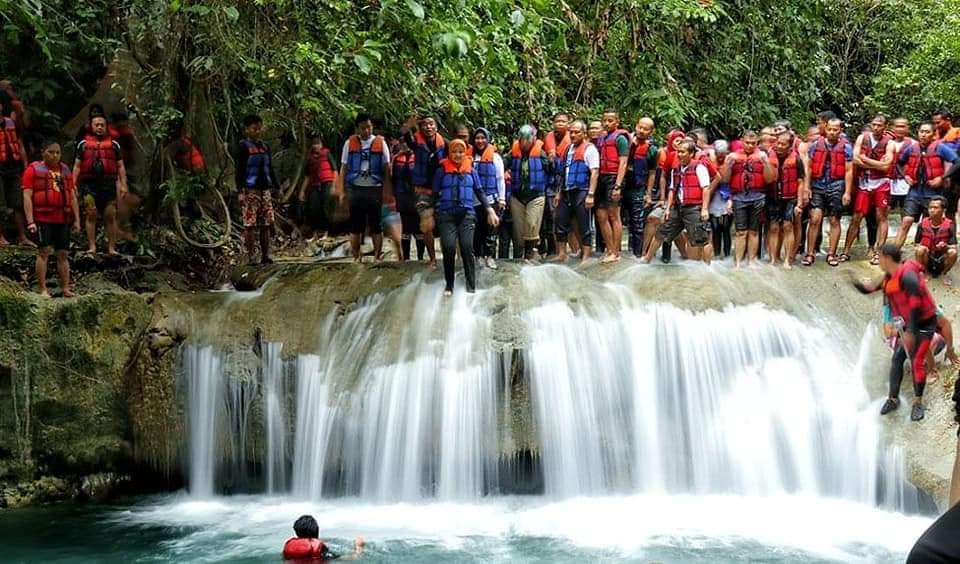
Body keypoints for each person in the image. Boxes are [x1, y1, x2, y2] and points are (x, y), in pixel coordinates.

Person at [853, 243, 938, 421]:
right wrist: (854, 281)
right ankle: (893, 398)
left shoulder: (907, 276)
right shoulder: (889, 277)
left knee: (916, 361)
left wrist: (910, 333)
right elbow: (870, 290)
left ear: (886, 258)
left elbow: (915, 305)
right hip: (909, 324)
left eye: (880, 257)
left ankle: (917, 402)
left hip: (923, 324)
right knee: (897, 358)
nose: (878, 261)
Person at [432, 138, 499, 295]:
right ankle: (449, 285)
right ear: (449, 153)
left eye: (461, 152)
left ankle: (471, 286)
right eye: (454, 152)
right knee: (448, 248)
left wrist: (490, 210)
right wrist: (428, 213)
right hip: (446, 215)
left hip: (467, 215)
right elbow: (434, 194)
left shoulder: (471, 170)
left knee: (467, 247)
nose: (457, 155)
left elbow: (480, 191)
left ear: (465, 153)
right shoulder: (441, 170)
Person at [22, 141, 81, 298]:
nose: (55, 155)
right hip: (43, 217)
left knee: (63, 253)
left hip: (63, 218)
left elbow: (73, 196)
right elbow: (27, 196)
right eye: (51, 152)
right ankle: (42, 289)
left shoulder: (65, 169)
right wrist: (30, 221)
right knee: (44, 252)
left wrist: (77, 220)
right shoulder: (33, 170)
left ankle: (66, 288)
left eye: (58, 153)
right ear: (43, 152)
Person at [641, 138, 713, 265]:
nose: (679, 155)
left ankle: (708, 266)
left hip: (694, 208)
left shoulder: (699, 167)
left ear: (691, 154)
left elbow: (706, 188)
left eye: (683, 152)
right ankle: (647, 259)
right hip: (678, 207)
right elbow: (672, 190)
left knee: (702, 239)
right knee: (660, 233)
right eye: (678, 152)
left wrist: (705, 209)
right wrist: (668, 208)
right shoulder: (676, 169)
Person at [337, 113, 392, 263]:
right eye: (363, 128)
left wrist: (388, 191)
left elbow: (387, 168)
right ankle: (356, 257)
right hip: (355, 188)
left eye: (369, 127)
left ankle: (377, 256)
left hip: (375, 188)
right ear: (357, 129)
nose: (366, 131)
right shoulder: (349, 143)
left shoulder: (381, 143)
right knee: (356, 225)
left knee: (376, 224)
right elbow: (344, 167)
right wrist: (341, 191)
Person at [841, 115, 895, 264]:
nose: (876, 128)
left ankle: (879, 252)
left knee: (881, 216)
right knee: (856, 216)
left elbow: (886, 165)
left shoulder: (889, 143)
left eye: (879, 125)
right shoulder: (862, 138)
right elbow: (856, 158)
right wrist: (876, 164)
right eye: (874, 124)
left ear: (885, 126)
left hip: (881, 182)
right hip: (864, 183)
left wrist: (866, 160)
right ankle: (846, 251)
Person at [896, 123, 959, 250]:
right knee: (906, 221)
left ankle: (925, 257)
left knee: (927, 226)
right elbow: (899, 163)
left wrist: (942, 177)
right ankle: (893, 254)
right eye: (921, 131)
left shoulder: (940, 148)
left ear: (933, 134)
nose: (923, 134)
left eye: (927, 132)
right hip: (914, 192)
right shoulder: (912, 148)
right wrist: (905, 176)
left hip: (933, 194)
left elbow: (957, 161)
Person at [74, 114, 128, 256]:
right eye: (96, 125)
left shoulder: (114, 145)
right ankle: (92, 246)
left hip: (108, 184)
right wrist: (72, 184)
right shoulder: (83, 144)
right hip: (89, 185)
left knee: (110, 215)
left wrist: (123, 185)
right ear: (91, 127)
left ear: (106, 127)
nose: (99, 127)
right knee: (91, 213)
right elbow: (77, 166)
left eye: (102, 125)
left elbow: (120, 166)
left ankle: (111, 248)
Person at [803, 118, 852, 267]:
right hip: (818, 184)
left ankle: (832, 253)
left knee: (834, 220)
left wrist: (847, 192)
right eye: (829, 129)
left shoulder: (846, 147)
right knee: (815, 218)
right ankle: (810, 253)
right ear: (826, 129)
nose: (832, 132)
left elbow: (849, 170)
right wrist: (807, 187)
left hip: (836, 184)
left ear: (840, 130)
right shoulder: (816, 145)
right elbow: (809, 167)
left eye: (835, 129)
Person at [722, 130, 775, 267]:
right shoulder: (733, 156)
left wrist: (766, 163)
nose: (750, 146)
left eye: (753, 143)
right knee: (740, 232)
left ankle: (751, 261)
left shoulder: (762, 155)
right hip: (739, 197)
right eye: (747, 143)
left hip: (757, 197)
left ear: (757, 143)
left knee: (754, 231)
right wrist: (728, 165)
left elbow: (769, 179)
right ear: (742, 141)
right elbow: (725, 179)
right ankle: (738, 262)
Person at [234, 114, 279, 263]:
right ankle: (252, 256)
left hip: (264, 189)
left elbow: (270, 168)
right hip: (249, 189)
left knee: (266, 223)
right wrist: (240, 191)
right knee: (250, 224)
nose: (258, 131)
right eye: (254, 129)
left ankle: (266, 255)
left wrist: (276, 186)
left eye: (259, 128)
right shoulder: (243, 146)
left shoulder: (265, 146)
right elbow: (239, 170)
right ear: (247, 130)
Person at [504, 125, 552, 261]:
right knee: (518, 231)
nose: (524, 143)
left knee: (531, 224)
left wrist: (552, 161)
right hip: (517, 195)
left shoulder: (541, 153)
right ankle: (520, 256)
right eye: (522, 140)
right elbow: (501, 164)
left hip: (536, 195)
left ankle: (531, 252)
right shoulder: (512, 153)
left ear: (533, 139)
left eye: (527, 140)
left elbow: (551, 170)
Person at [554, 120, 598, 264]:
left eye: (577, 132)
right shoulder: (568, 149)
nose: (573, 135)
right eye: (571, 132)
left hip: (582, 190)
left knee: (584, 223)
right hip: (567, 190)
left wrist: (591, 194)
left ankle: (586, 255)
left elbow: (594, 172)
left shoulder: (590, 149)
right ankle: (561, 253)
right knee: (560, 220)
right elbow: (562, 172)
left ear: (584, 133)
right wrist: (559, 192)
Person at [409, 115, 445, 269]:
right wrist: (410, 125)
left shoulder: (445, 145)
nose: (428, 127)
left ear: (436, 127)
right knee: (426, 225)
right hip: (423, 190)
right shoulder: (416, 143)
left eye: (431, 124)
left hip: (441, 189)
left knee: (445, 225)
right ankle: (432, 259)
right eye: (425, 125)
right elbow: (406, 135)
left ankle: (449, 257)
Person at [595, 110, 631, 263]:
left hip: (613, 178)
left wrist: (618, 185)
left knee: (613, 215)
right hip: (602, 178)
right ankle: (609, 249)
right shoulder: (601, 138)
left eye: (610, 120)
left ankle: (615, 252)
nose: (607, 123)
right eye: (605, 120)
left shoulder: (620, 138)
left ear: (617, 122)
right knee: (600, 216)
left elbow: (623, 162)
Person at [767, 132, 805, 268]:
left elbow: (801, 182)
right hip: (773, 197)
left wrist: (799, 203)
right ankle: (773, 259)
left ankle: (787, 260)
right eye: (777, 143)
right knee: (773, 227)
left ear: (790, 146)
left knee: (788, 226)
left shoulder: (797, 159)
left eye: (783, 144)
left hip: (790, 198)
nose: (779, 146)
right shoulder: (768, 156)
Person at [470, 127, 505, 269]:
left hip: (491, 199)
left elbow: (500, 179)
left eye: (483, 138)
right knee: (477, 231)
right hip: (473, 200)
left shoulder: (496, 158)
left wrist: (502, 199)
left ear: (488, 139)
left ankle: (490, 256)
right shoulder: (469, 157)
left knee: (491, 230)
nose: (480, 141)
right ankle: (478, 256)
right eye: (477, 138)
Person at [626, 117, 658, 257]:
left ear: (651, 131)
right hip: (622, 187)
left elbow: (652, 173)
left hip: (638, 188)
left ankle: (637, 254)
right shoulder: (625, 142)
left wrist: (648, 193)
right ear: (636, 126)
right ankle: (622, 251)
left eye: (645, 129)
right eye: (640, 127)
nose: (641, 131)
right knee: (624, 221)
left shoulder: (652, 150)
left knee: (637, 223)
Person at [0, 93, 29, 246]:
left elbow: (20, 144)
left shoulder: (11, 123)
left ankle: (22, 236)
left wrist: (25, 165)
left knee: (18, 203)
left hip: (14, 167)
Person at [541, 113, 570, 258]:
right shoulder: (548, 139)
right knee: (550, 218)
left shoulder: (573, 140)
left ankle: (566, 250)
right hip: (550, 184)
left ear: (568, 124)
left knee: (564, 218)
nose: (560, 124)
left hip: (566, 183)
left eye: (563, 121)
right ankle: (552, 250)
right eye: (557, 121)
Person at [299, 139, 338, 244]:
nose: (316, 146)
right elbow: (307, 177)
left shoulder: (327, 153)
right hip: (315, 185)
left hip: (327, 183)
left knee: (326, 207)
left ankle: (326, 232)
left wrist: (335, 186)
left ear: (321, 145)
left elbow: (335, 170)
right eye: (314, 144)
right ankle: (316, 233)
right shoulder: (309, 158)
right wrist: (302, 191)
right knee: (314, 208)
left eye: (318, 144)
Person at [110, 111, 141, 242]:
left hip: (124, 169)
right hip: (115, 170)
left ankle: (122, 229)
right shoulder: (114, 135)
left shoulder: (124, 134)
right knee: (122, 198)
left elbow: (130, 153)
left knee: (131, 199)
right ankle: (121, 231)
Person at [392, 139, 424, 261]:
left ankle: (420, 257)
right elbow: (393, 178)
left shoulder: (418, 157)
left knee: (418, 227)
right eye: (402, 143)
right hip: (402, 195)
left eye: (406, 142)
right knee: (405, 227)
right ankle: (406, 257)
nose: (404, 145)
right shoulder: (397, 158)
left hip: (416, 196)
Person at [282, 515, 364, 561]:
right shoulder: (320, 549)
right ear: (317, 531)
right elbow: (352, 558)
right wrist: (359, 547)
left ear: (297, 532)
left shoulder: (289, 548)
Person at [915, 196, 957, 283]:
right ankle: (924, 272)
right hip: (928, 258)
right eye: (930, 207)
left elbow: (954, 246)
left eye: (936, 208)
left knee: (953, 252)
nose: (932, 210)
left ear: (943, 210)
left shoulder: (950, 225)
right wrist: (924, 248)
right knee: (920, 250)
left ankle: (944, 273)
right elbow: (916, 243)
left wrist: (945, 246)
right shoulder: (922, 224)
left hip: (942, 258)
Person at [708, 139, 733, 258]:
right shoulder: (710, 159)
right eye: (719, 155)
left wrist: (731, 200)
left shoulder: (731, 161)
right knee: (715, 227)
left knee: (726, 228)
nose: (721, 158)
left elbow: (735, 183)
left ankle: (727, 255)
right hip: (713, 195)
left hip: (727, 195)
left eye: (723, 156)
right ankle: (717, 254)